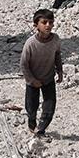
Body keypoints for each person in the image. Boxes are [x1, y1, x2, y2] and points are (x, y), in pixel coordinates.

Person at [20, 9, 63, 137]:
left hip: (48, 78)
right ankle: (32, 123)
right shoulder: (31, 43)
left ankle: (41, 129)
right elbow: (24, 64)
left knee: (50, 106)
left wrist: (60, 71)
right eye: (44, 22)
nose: (48, 25)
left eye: (51, 22)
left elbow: (57, 55)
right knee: (31, 107)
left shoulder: (55, 39)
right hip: (33, 80)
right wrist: (32, 80)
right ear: (36, 25)